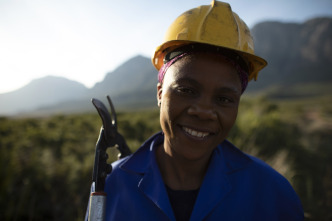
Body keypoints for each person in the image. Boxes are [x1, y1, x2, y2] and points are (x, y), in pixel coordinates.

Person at [87, 1, 304, 220]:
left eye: (223, 98)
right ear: (160, 93)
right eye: (187, 90)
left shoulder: (272, 193)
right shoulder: (110, 186)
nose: (203, 111)